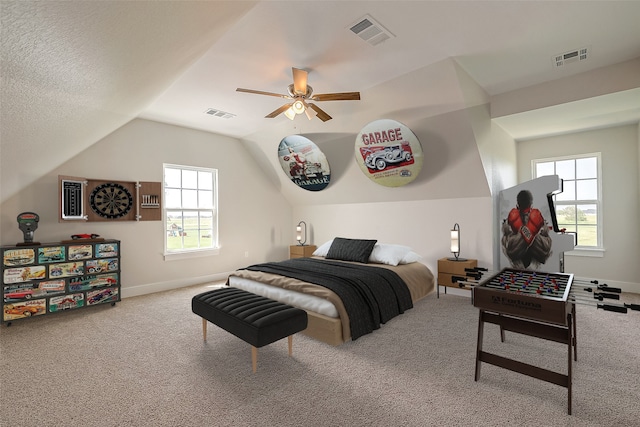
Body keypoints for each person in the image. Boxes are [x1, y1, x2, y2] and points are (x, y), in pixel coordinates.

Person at [501, 190, 552, 269]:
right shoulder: (538, 219)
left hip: (521, 261)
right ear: (531, 205)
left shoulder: (510, 221)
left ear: (517, 205)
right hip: (530, 261)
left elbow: (507, 243)